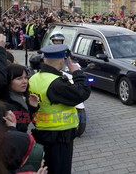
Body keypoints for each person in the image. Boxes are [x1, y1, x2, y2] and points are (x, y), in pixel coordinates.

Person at [29, 44, 91, 174]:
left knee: (47, 168)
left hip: (42, 131)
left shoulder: (34, 78)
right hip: (59, 136)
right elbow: (82, 93)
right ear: (62, 61)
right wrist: (77, 73)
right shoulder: (56, 83)